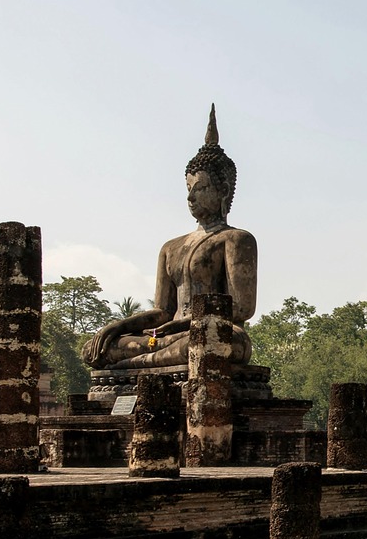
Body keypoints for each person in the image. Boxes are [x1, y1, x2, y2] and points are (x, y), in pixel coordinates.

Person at [81, 106, 257, 370]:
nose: (191, 197)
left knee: (205, 343)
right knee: (97, 348)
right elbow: (162, 310)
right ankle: (143, 359)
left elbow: (242, 309)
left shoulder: (235, 240)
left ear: (223, 191)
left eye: (200, 188)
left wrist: (187, 323)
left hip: (213, 334)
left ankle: (136, 363)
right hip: (167, 336)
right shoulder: (171, 247)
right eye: (188, 189)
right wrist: (118, 325)